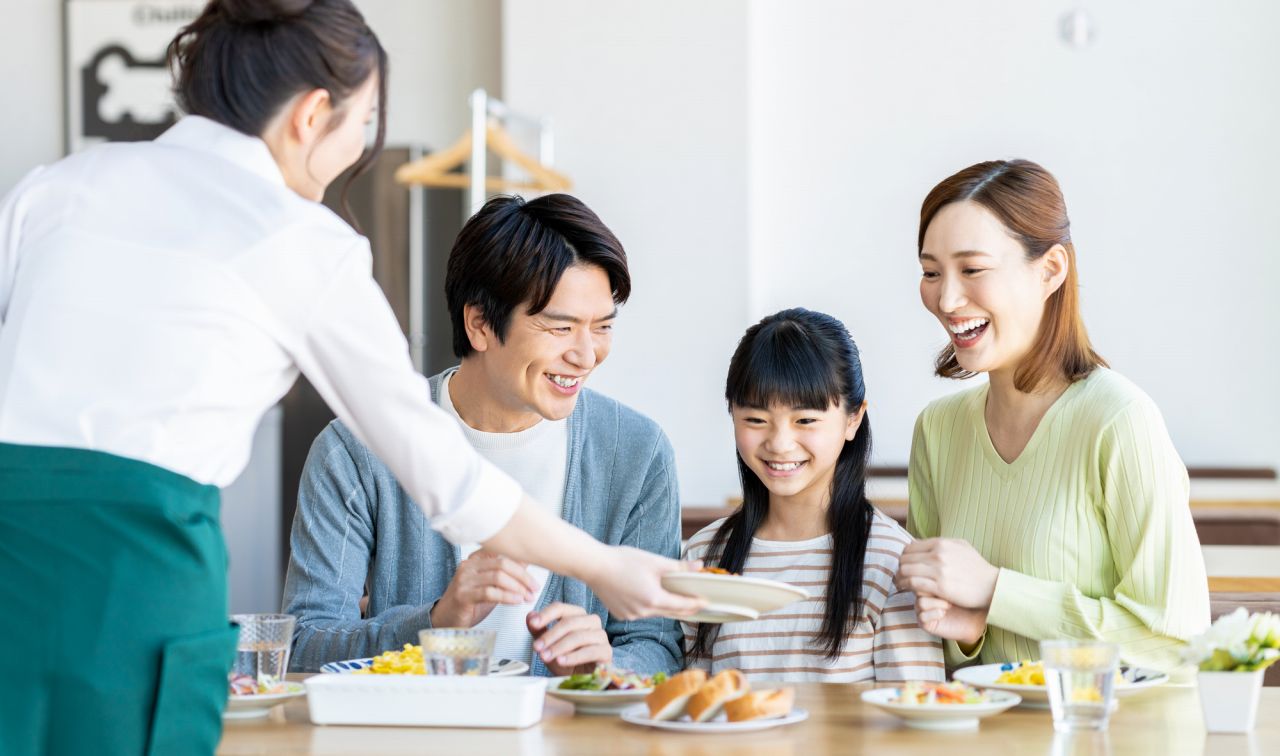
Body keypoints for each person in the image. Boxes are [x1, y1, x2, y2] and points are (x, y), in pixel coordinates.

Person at [0, 2, 696, 754]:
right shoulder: (298, 240)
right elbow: (441, 472)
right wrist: (602, 567)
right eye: (364, 122)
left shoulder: (56, 187)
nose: (357, 149)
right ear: (312, 115)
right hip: (137, 577)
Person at [285, 194, 684, 677]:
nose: (587, 354)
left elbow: (658, 645)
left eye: (601, 327)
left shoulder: (637, 453)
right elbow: (303, 644)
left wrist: (606, 666)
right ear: (479, 324)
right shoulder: (355, 452)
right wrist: (436, 621)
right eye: (560, 328)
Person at [895, 159, 1210, 675]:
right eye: (931, 273)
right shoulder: (937, 429)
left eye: (972, 269)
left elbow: (1175, 640)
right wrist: (970, 629)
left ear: (1051, 270)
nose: (947, 298)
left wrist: (997, 591)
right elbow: (933, 635)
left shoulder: (1120, 421)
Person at [683, 308, 944, 683]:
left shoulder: (891, 563)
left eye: (805, 420)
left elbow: (915, 713)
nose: (780, 443)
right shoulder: (704, 555)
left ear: (853, 419)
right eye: (756, 420)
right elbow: (693, 705)